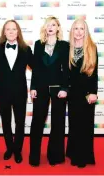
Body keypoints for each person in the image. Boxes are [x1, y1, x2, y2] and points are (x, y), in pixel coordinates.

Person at [29, 16, 69, 167]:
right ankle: (34, 157)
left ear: (58, 28)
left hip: (58, 88)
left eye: (53, 25)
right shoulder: (39, 44)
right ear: (45, 28)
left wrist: (65, 88)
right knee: (37, 121)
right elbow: (36, 69)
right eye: (48, 25)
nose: (50, 27)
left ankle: (55, 156)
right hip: (40, 87)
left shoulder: (65, 45)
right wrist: (33, 87)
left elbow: (66, 69)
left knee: (58, 122)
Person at [0, 20, 33, 163]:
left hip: (20, 92)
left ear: (18, 32)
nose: (10, 31)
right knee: (6, 121)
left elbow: (38, 68)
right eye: (8, 29)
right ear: (4, 32)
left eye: (14, 29)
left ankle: (18, 150)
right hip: (2, 92)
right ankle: (9, 148)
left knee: (20, 122)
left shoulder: (26, 49)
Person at [66, 19, 98, 168]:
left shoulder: (92, 47)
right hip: (72, 94)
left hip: (86, 94)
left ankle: (83, 157)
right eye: (76, 28)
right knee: (74, 125)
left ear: (86, 31)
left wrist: (93, 92)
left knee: (85, 125)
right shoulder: (68, 48)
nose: (79, 32)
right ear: (72, 31)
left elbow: (94, 73)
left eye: (82, 29)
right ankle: (73, 152)